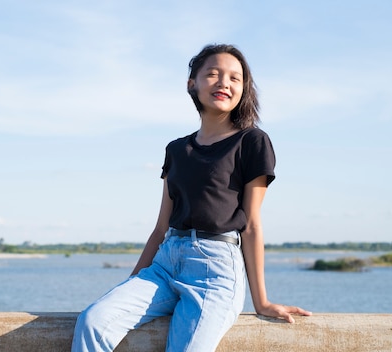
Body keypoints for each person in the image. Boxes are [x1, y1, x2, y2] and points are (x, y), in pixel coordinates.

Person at [71, 43, 312, 352]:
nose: (224, 82)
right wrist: (129, 285)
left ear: (244, 89)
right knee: (94, 321)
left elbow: (251, 226)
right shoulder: (176, 149)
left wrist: (261, 301)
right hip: (165, 263)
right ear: (192, 84)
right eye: (213, 74)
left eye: (235, 78)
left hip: (216, 269)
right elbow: (160, 229)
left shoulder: (252, 141)